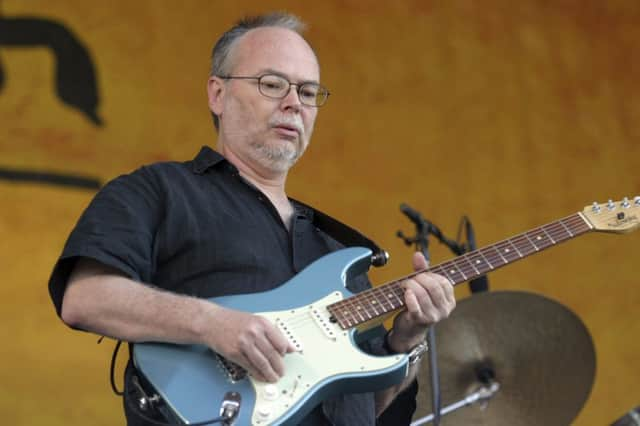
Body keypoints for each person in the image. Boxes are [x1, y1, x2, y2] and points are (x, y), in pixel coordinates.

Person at [48, 12, 455, 426]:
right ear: (217, 94)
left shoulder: (338, 254)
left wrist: (408, 335)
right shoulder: (160, 190)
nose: (294, 103)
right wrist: (213, 324)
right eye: (273, 84)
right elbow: (85, 298)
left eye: (308, 92)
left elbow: (367, 411)